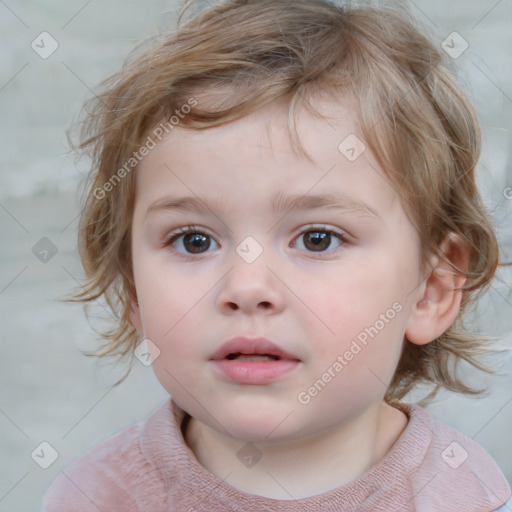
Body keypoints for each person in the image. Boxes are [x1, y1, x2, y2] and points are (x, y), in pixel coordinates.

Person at [42, 0, 511, 510]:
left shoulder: (467, 496)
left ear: (431, 291)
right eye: (194, 240)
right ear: (134, 288)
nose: (247, 288)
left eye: (317, 239)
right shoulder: (96, 497)